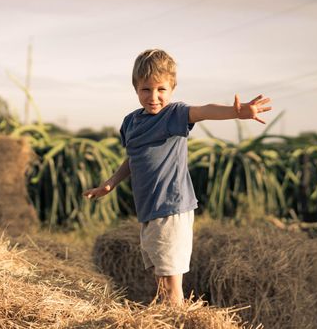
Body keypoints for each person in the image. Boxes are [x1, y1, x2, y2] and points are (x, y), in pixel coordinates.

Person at [83, 49, 272, 306]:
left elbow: (203, 111)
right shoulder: (131, 123)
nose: (154, 97)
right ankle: (167, 319)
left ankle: (177, 319)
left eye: (161, 89)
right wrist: (110, 183)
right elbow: (135, 157)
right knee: (161, 279)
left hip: (171, 208)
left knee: (172, 286)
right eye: (146, 89)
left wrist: (236, 112)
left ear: (172, 88)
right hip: (149, 211)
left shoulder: (173, 115)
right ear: (136, 89)